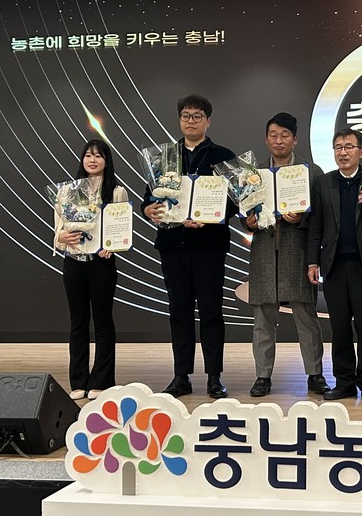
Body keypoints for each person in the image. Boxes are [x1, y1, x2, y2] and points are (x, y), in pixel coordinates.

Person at [141, 94, 236, 398]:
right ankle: (181, 376)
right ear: (179, 120)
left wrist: (210, 218)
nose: (191, 121)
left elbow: (236, 201)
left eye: (197, 116)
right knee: (179, 312)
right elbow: (149, 198)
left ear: (208, 121)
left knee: (211, 311)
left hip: (209, 246)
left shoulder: (223, 156)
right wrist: (147, 209)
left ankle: (214, 377)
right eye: (185, 116)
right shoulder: (164, 158)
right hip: (173, 245)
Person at [244, 112, 328, 397]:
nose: (278, 140)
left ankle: (315, 374)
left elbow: (321, 217)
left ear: (295, 139)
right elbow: (243, 212)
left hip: (298, 251)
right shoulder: (253, 174)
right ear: (266, 138)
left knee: (306, 317)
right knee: (263, 320)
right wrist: (248, 223)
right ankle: (262, 376)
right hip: (264, 252)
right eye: (273, 135)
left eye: (284, 135)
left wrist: (301, 219)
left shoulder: (311, 172)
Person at [307, 128, 362, 402]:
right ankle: (344, 382)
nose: (343, 152)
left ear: (361, 152)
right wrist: (312, 261)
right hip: (334, 265)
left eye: (349, 147)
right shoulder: (323, 183)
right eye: (338, 147)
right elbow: (315, 226)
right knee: (340, 327)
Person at [54, 139, 127, 401]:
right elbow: (57, 231)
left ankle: (102, 380)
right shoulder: (66, 191)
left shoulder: (116, 192)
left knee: (103, 321)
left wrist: (113, 246)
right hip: (74, 263)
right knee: (78, 322)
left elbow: (121, 228)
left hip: (101, 265)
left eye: (98, 156)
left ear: (107, 160)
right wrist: (62, 237)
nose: (92, 160)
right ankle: (78, 381)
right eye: (88, 155)